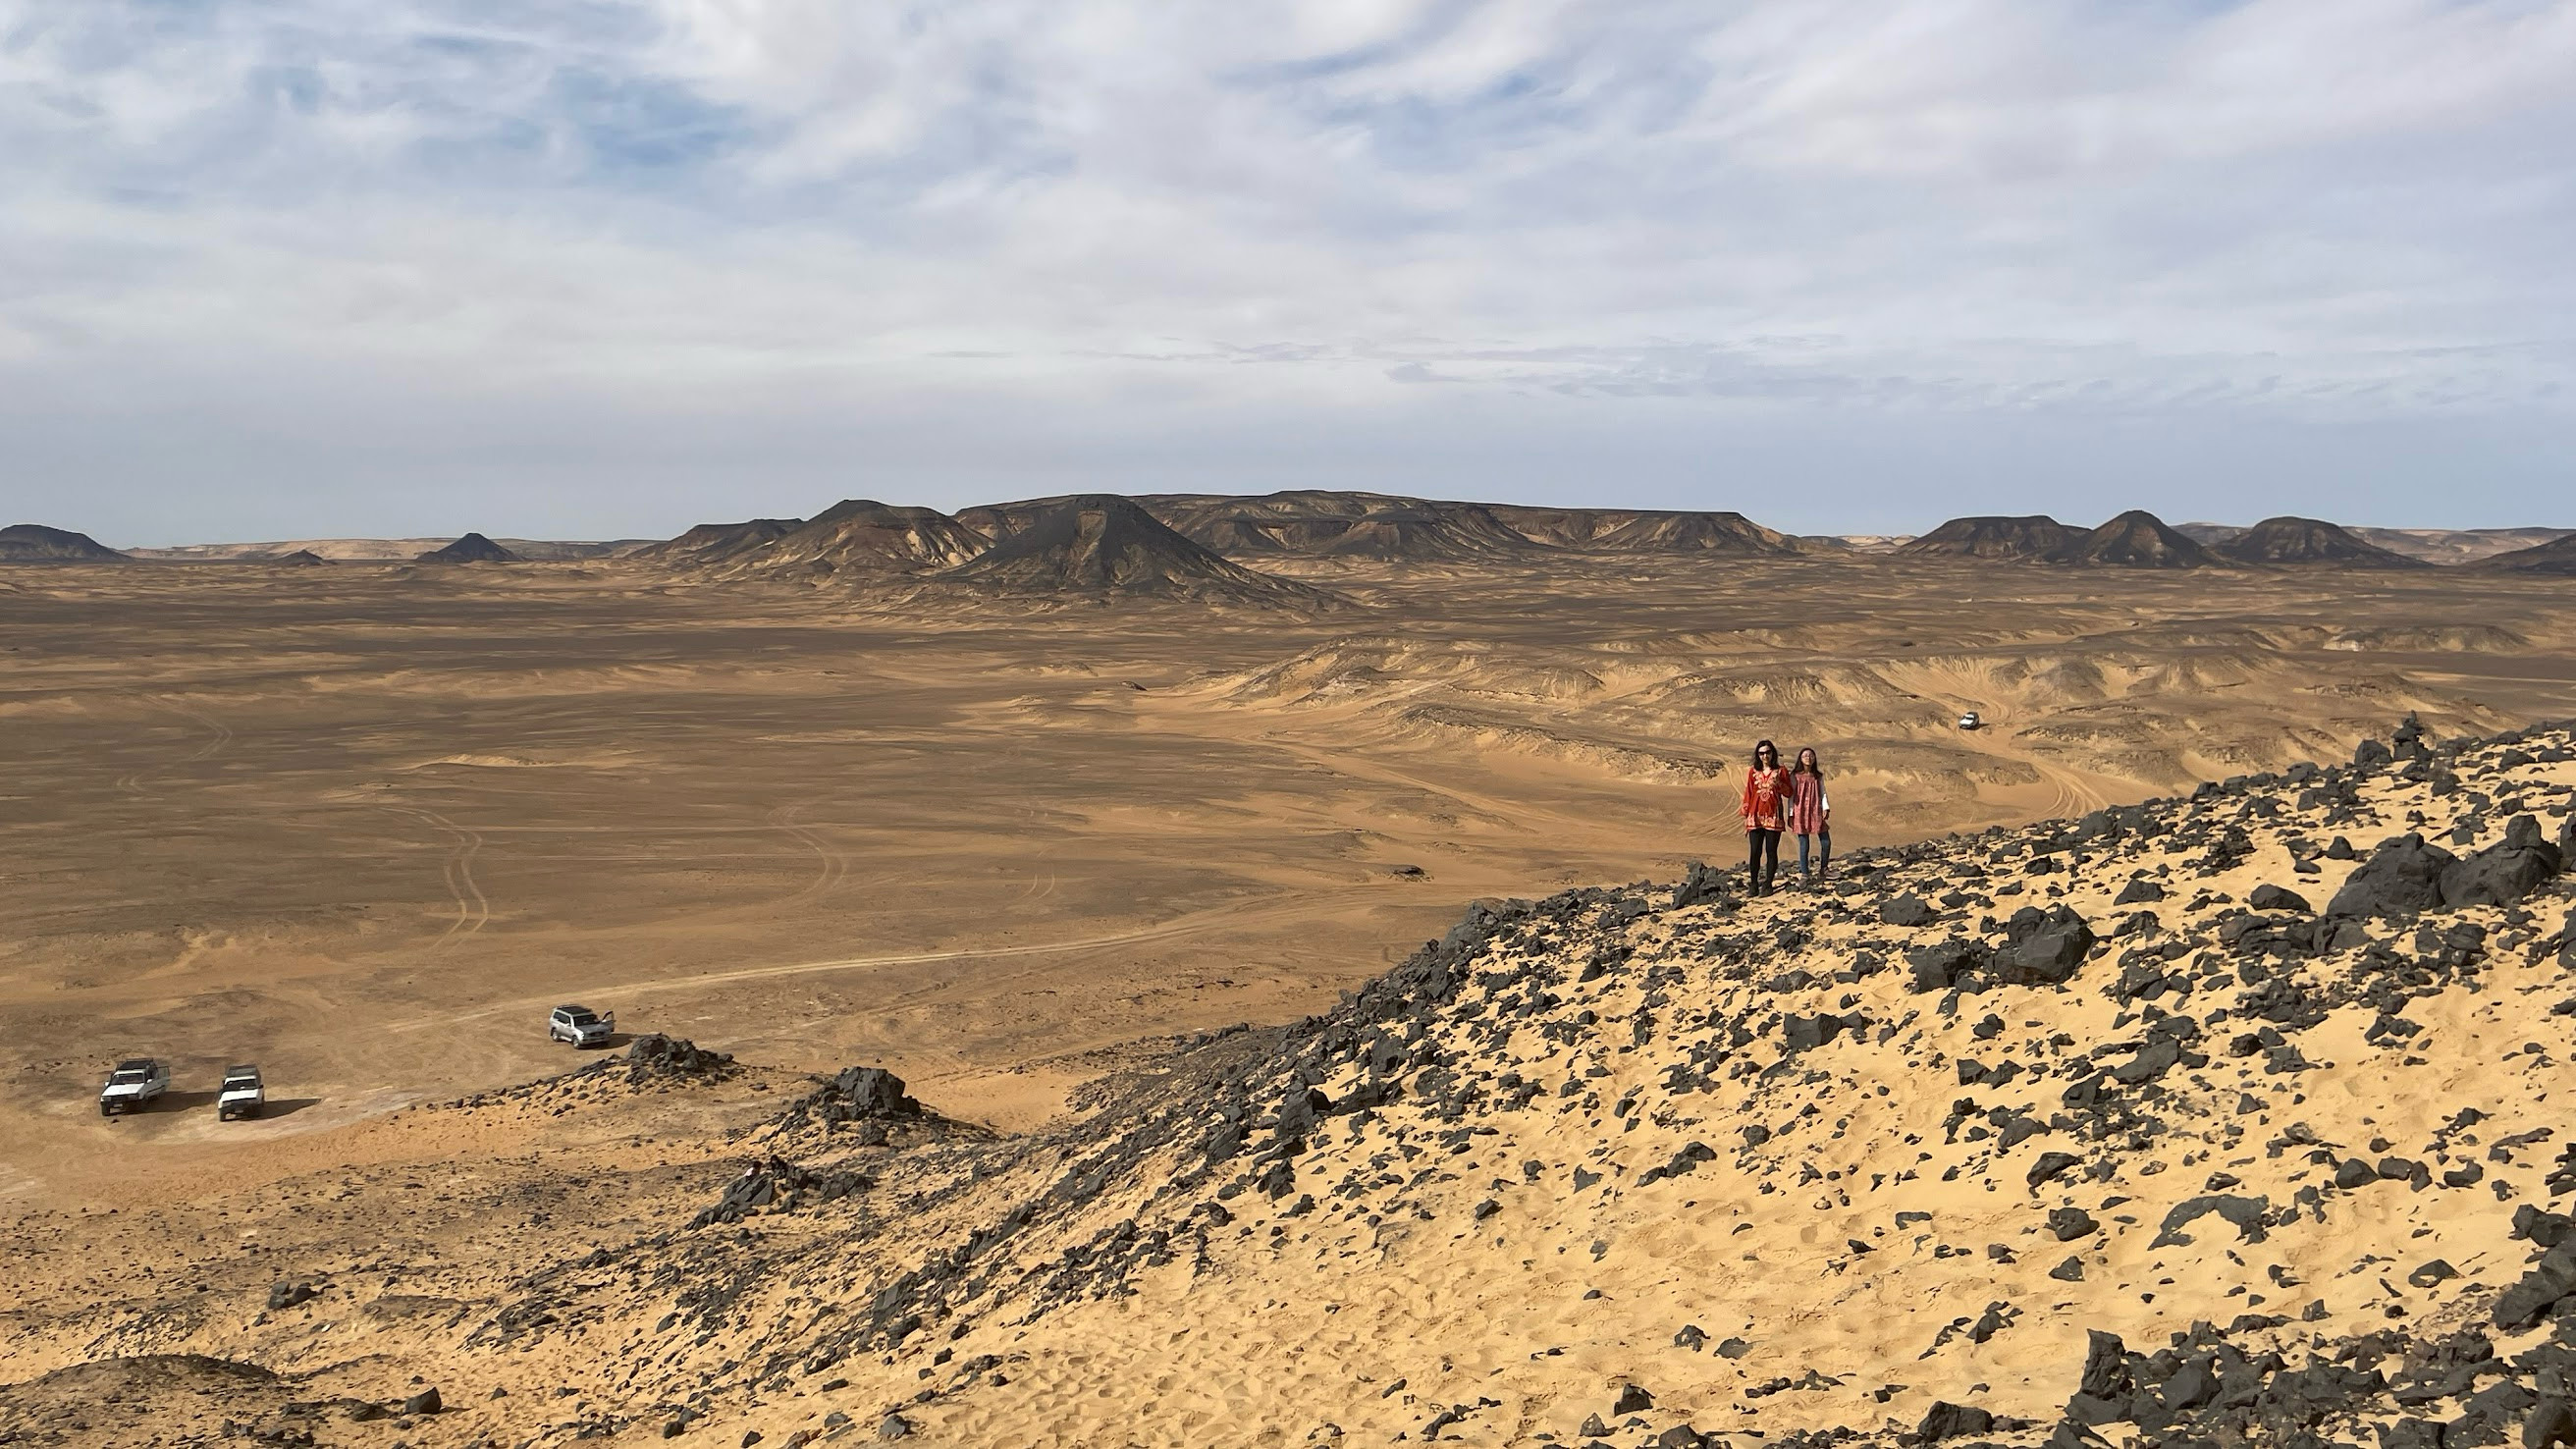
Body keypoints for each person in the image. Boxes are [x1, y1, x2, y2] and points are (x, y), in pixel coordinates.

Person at [1740, 739, 1791, 894]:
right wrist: (1746, 809)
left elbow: (1789, 792)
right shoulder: (1753, 771)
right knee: (1755, 851)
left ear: (1772, 753)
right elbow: (1749, 791)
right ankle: (1753, 884)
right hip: (1755, 815)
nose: (1765, 756)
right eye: (1761, 753)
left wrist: (1779, 784)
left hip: (1773, 814)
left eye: (1767, 752)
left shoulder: (1781, 771)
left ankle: (1768, 884)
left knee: (1771, 850)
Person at [1789, 746, 1831, 881]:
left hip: (1816, 810)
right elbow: (1791, 795)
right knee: (1804, 843)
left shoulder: (1818, 776)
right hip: (1800, 810)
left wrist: (1826, 807)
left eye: (1811, 755)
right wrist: (1790, 814)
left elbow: (1823, 792)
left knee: (1826, 841)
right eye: (1805, 755)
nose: (1808, 757)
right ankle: (1805, 873)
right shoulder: (1794, 776)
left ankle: (1824, 869)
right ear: (1800, 759)